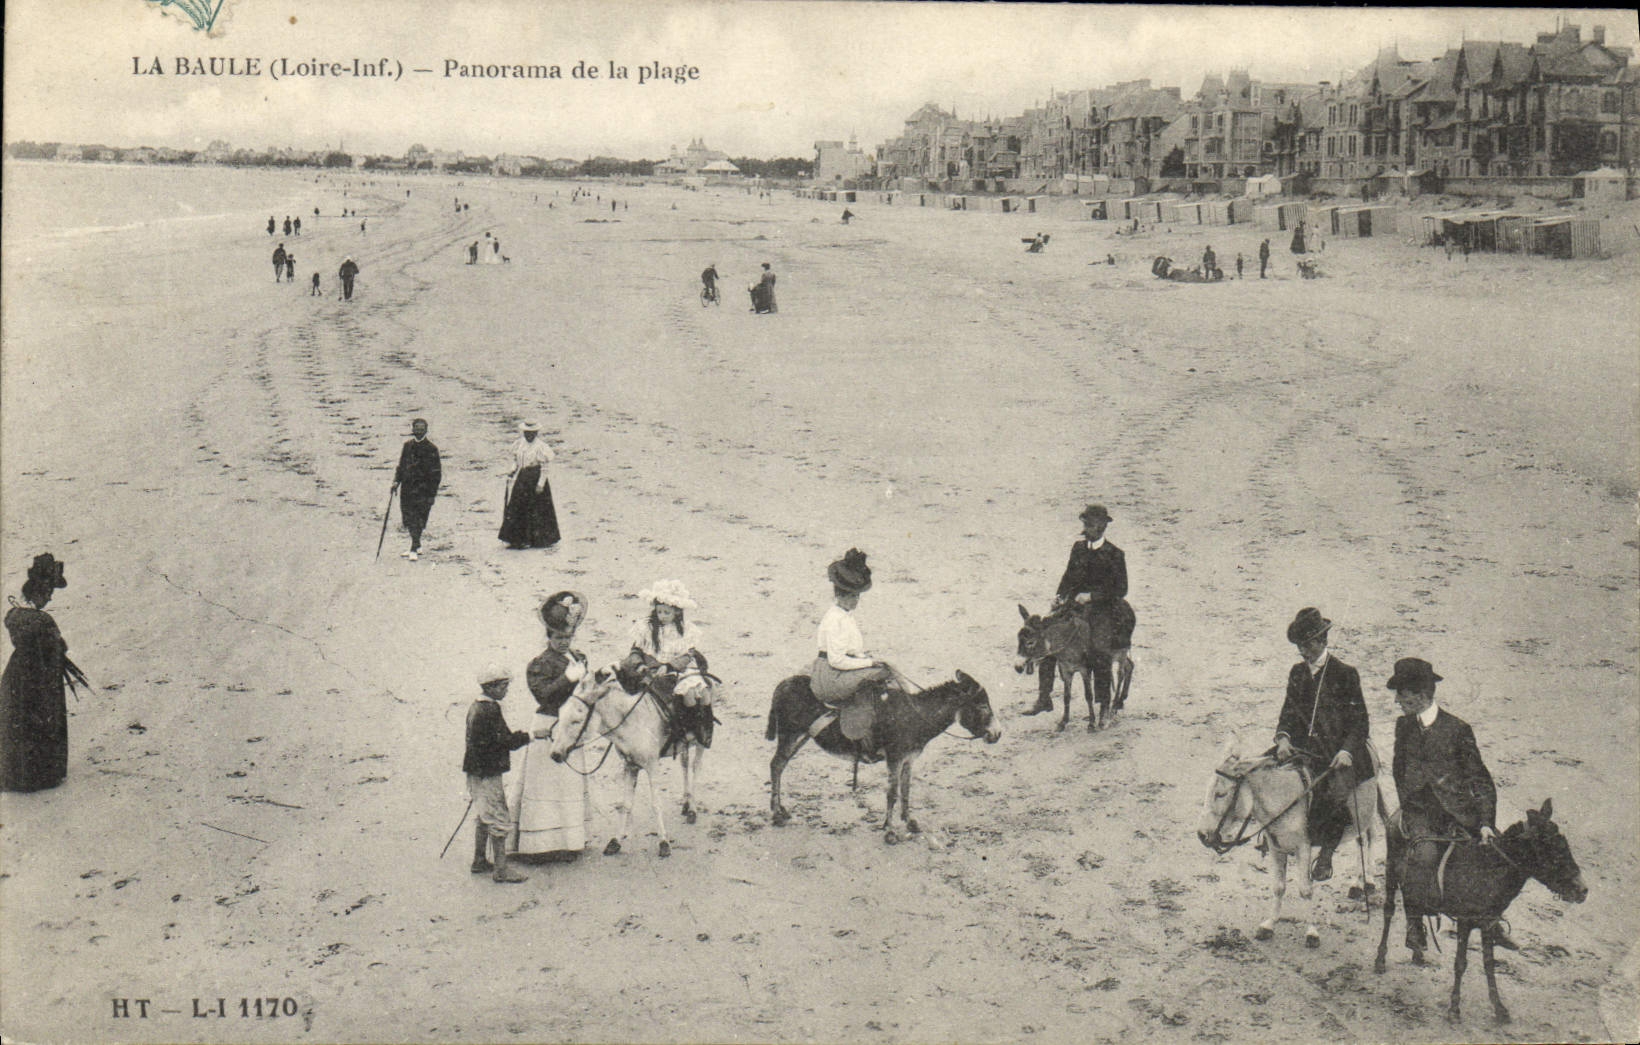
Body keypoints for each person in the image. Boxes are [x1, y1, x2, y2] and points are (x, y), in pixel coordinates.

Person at [1388, 657, 1508, 948]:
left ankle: (1492, 920)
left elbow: (1480, 780)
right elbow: (1398, 768)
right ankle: (1415, 923)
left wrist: (1485, 823)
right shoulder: (1403, 726)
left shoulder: (1458, 729)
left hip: (1458, 814)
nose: (1397, 701)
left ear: (1421, 695)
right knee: (1423, 856)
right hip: (1420, 814)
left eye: (1402, 695)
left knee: (1494, 856)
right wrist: (1408, 801)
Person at [1271, 607, 1372, 882]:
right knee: (1264, 772)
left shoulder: (1345, 674)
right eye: (1300, 646)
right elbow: (1288, 713)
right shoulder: (1297, 673)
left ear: (1322, 641)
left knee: (1335, 794)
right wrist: (1283, 739)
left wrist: (1346, 750)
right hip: (1302, 749)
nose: (1304, 652)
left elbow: (1360, 721)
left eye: (1308, 645)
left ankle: (1326, 854)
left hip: (1335, 753)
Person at [511, 592, 592, 861]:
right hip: (548, 724)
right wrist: (568, 679)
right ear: (548, 637)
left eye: (567, 638)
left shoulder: (579, 658)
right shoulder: (538, 664)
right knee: (545, 783)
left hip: (571, 727)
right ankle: (540, 845)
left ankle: (569, 841)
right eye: (558, 638)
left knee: (568, 783)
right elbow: (543, 695)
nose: (563, 642)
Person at [1030, 504, 1129, 716]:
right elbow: (1068, 577)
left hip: (1102, 609)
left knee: (1099, 648)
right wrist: (1059, 596)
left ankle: (1103, 703)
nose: (1086, 529)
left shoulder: (1115, 554)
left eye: (1091, 525)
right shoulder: (1078, 548)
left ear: (1102, 527)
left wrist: (1092, 596)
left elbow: (1121, 589)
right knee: (1046, 636)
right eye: (1085, 524)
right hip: (1073, 605)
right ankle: (1044, 697)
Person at [1, 554, 83, 792]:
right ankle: (40, 775)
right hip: (41, 674)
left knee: (17, 720)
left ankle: (14, 773)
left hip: (18, 674)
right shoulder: (43, 620)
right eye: (48, 593)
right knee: (41, 718)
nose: (49, 597)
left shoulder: (14, 615)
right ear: (39, 591)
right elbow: (58, 645)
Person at [463, 663, 532, 883]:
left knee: (484, 815)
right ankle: (501, 870)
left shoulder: (475, 707)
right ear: (491, 687)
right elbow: (506, 741)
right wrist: (530, 735)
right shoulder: (491, 710)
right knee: (499, 817)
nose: (506, 690)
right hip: (488, 773)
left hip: (475, 771)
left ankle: (479, 859)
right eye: (503, 686)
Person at [627, 580, 714, 748]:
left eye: (667, 613)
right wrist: (641, 665)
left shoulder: (685, 630)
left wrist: (670, 666)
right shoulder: (646, 628)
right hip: (653, 672)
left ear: (676, 613)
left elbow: (688, 655)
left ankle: (702, 727)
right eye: (659, 612)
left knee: (700, 693)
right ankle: (681, 728)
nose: (662, 616)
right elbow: (635, 652)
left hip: (679, 670)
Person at [810, 549, 897, 706]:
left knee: (886, 667)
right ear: (840, 596)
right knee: (885, 673)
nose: (856, 600)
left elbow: (851, 652)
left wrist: (869, 659)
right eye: (851, 596)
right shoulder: (835, 619)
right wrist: (869, 663)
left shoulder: (845, 615)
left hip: (836, 671)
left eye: (857, 596)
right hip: (830, 676)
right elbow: (837, 660)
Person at [498, 420, 560, 549]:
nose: (529, 436)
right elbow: (516, 461)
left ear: (536, 433)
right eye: (527, 433)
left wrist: (541, 484)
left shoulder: (541, 447)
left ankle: (539, 540)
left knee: (537, 508)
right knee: (518, 506)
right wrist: (512, 470)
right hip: (522, 478)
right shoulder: (519, 444)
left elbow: (544, 467)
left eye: (532, 433)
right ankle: (518, 539)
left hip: (535, 478)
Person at [392, 418, 442, 560]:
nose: (419, 430)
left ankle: (414, 547)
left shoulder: (432, 449)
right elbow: (401, 466)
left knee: (419, 518)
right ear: (412, 429)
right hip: (407, 488)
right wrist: (396, 482)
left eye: (421, 428)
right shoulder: (407, 446)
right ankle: (417, 544)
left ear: (426, 430)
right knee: (408, 517)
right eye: (416, 428)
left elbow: (436, 474)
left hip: (423, 490)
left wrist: (432, 493)